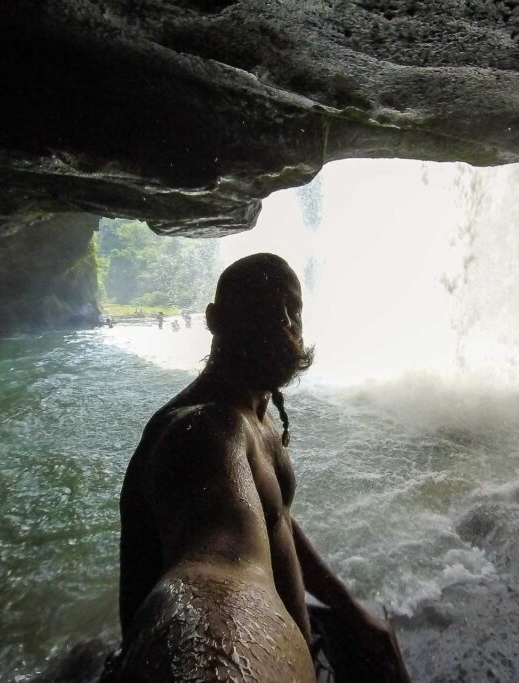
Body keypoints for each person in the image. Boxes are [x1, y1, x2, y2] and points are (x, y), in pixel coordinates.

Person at [114, 253, 408, 681]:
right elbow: (216, 573)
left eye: (293, 310)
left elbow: (275, 519)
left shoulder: (258, 417)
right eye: (263, 308)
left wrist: (349, 610)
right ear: (214, 319)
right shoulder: (206, 432)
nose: (284, 323)